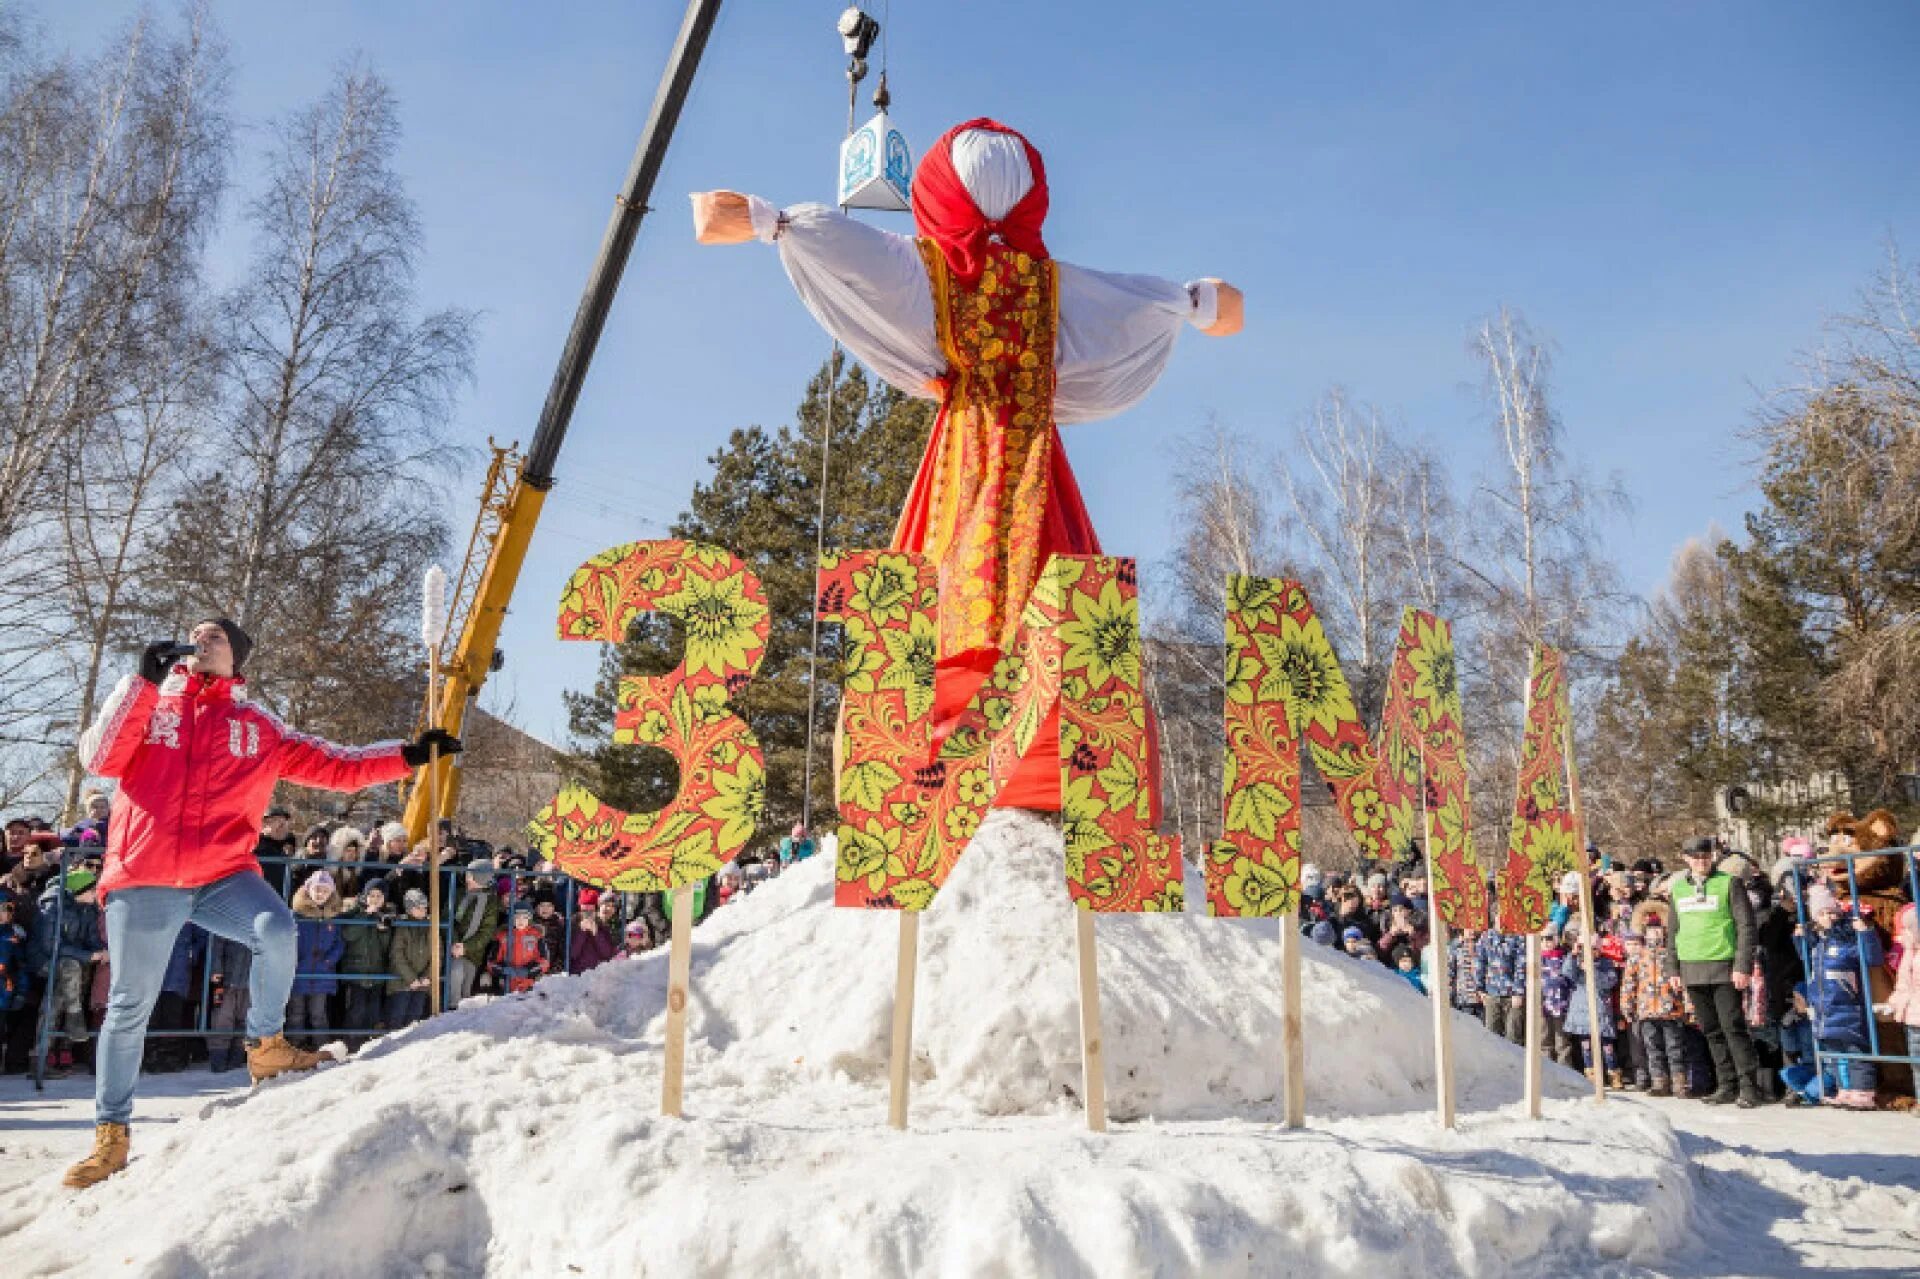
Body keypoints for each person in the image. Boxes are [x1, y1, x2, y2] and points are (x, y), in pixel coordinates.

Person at [694, 121, 1242, 813]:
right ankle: (1073, 771)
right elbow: (1125, 301)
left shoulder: (930, 273)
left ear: (941, 196)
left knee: (936, 589)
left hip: (964, 455)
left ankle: (927, 771)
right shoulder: (1052, 286)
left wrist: (775, 222)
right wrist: (1194, 302)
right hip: (1037, 463)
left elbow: (858, 252)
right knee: (1062, 595)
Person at [62, 617, 461, 1189]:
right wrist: (139, 686)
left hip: (222, 873)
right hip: (145, 875)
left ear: (237, 657)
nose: (202, 639)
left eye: (216, 636)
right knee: (129, 1005)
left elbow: (340, 766)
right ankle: (112, 1134)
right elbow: (98, 758)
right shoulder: (154, 704)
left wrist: (407, 756)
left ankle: (266, 1046)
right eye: (196, 633)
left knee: (277, 927)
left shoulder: (256, 726)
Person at [1799, 884, 1884, 1109]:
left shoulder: (1846, 939)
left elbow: (1872, 958)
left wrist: (1865, 933)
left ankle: (1863, 1091)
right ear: (1815, 917)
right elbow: (1804, 959)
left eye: (1832, 912)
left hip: (1847, 1003)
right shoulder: (1817, 943)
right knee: (1836, 1052)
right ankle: (1844, 1088)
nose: (1829, 917)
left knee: (1855, 1050)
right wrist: (1799, 938)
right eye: (1823, 913)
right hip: (1825, 1007)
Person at [33, 867, 105, 1074]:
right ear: (80, 891)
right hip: (45, 960)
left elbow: (91, 938)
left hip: (72, 961)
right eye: (92, 891)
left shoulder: (89, 909)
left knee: (59, 995)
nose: (96, 895)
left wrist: (99, 952)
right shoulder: (53, 905)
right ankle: (74, 1021)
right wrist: (87, 956)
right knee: (70, 970)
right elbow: (50, 945)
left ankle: (49, 1053)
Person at [1620, 905, 1689, 1096]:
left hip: (1671, 1008)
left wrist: (1688, 1003)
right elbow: (1628, 982)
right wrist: (1627, 1004)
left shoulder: (1672, 953)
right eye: (1651, 931)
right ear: (1645, 932)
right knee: (1652, 1047)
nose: (1655, 934)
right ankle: (1659, 1081)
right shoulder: (1638, 956)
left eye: (1658, 930)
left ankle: (1679, 1082)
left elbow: (1684, 979)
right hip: (1646, 1009)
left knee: (1674, 1047)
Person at [286, 870, 345, 1049]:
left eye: (325, 891)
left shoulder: (333, 918)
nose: (321, 894)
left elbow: (339, 943)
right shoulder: (296, 916)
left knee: (318, 1013)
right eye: (317, 889)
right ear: (308, 890)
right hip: (299, 971)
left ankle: (322, 1048)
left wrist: (328, 961)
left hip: (322, 973)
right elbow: (287, 940)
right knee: (296, 1013)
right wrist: (293, 960)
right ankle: (296, 1046)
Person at [339, 878, 393, 1040]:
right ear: (365, 896)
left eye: (379, 896)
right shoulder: (355, 912)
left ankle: (368, 1040)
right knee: (356, 1009)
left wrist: (383, 931)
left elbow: (386, 948)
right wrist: (364, 916)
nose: (375, 899)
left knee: (373, 1009)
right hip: (356, 971)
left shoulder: (386, 916)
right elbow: (348, 935)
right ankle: (351, 1039)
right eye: (372, 895)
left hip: (376, 971)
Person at [1879, 902, 1920, 1103]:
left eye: (1907, 930)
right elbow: (1903, 985)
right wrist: (1894, 1003)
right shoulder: (1908, 954)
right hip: (1912, 1018)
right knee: (1916, 1062)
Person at [448, 860, 500, 1001]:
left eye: (471, 875)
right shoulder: (459, 894)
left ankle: (462, 1014)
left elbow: (486, 932)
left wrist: (466, 947)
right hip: (452, 949)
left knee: (467, 986)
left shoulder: (491, 902)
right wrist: (454, 944)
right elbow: (448, 920)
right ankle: (452, 1010)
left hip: (473, 952)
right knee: (456, 972)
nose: (467, 878)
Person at [205, 928, 254, 1074]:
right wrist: (216, 969)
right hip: (226, 978)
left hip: (250, 980)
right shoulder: (229, 915)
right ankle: (218, 1060)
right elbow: (216, 944)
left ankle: (236, 1060)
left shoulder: (259, 919)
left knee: (244, 1020)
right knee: (221, 1019)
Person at [384, 890, 434, 1029]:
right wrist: (411, 979)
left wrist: (427, 976)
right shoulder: (402, 926)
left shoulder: (431, 926)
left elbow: (438, 954)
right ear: (410, 909)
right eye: (419, 907)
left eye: (425, 907)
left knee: (415, 1017)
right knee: (397, 1017)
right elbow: (397, 954)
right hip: (401, 982)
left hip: (423, 983)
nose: (424, 910)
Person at [1473, 926, 1528, 1045]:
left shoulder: (1518, 936)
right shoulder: (1486, 937)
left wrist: (1518, 992)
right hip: (1492, 994)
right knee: (1491, 1037)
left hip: (1512, 996)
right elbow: (1479, 962)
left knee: (1513, 1037)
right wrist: (1480, 988)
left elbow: (1522, 964)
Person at [489, 900, 549, 994]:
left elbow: (544, 961)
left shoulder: (536, 936)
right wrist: (503, 970)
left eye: (524, 918)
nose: (521, 921)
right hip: (507, 984)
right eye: (517, 917)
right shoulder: (502, 937)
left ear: (529, 919)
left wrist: (529, 970)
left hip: (530, 984)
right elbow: (491, 963)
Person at [255, 807, 297, 896]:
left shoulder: (280, 851)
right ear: (264, 825)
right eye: (277, 822)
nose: (283, 827)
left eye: (284, 824)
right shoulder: (257, 848)